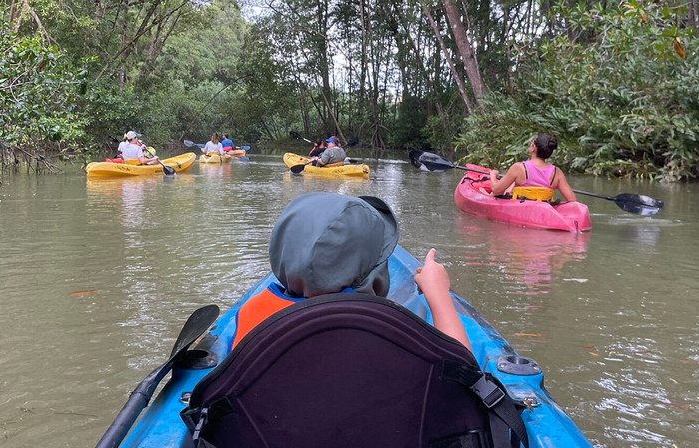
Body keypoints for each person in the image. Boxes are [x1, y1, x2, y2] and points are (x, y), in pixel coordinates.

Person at [233, 191, 470, 350]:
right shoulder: (387, 328)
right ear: (373, 280)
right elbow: (464, 369)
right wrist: (438, 293)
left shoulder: (250, 314)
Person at [487, 133, 576, 203]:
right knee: (510, 185)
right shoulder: (557, 172)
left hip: (519, 209)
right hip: (542, 210)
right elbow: (572, 200)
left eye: (531, 143)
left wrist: (493, 175)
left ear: (533, 148)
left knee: (484, 191)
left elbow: (496, 190)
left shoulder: (519, 168)